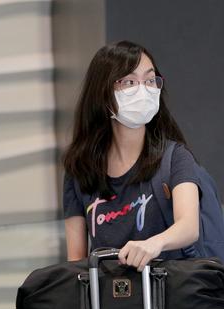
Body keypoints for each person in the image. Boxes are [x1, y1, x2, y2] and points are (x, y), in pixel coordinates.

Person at [62, 40, 203, 272]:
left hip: (167, 299)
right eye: (129, 81)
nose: (143, 89)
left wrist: (154, 244)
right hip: (108, 304)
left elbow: (189, 226)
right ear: (103, 92)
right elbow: (77, 263)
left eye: (149, 80)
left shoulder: (175, 157)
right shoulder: (79, 169)